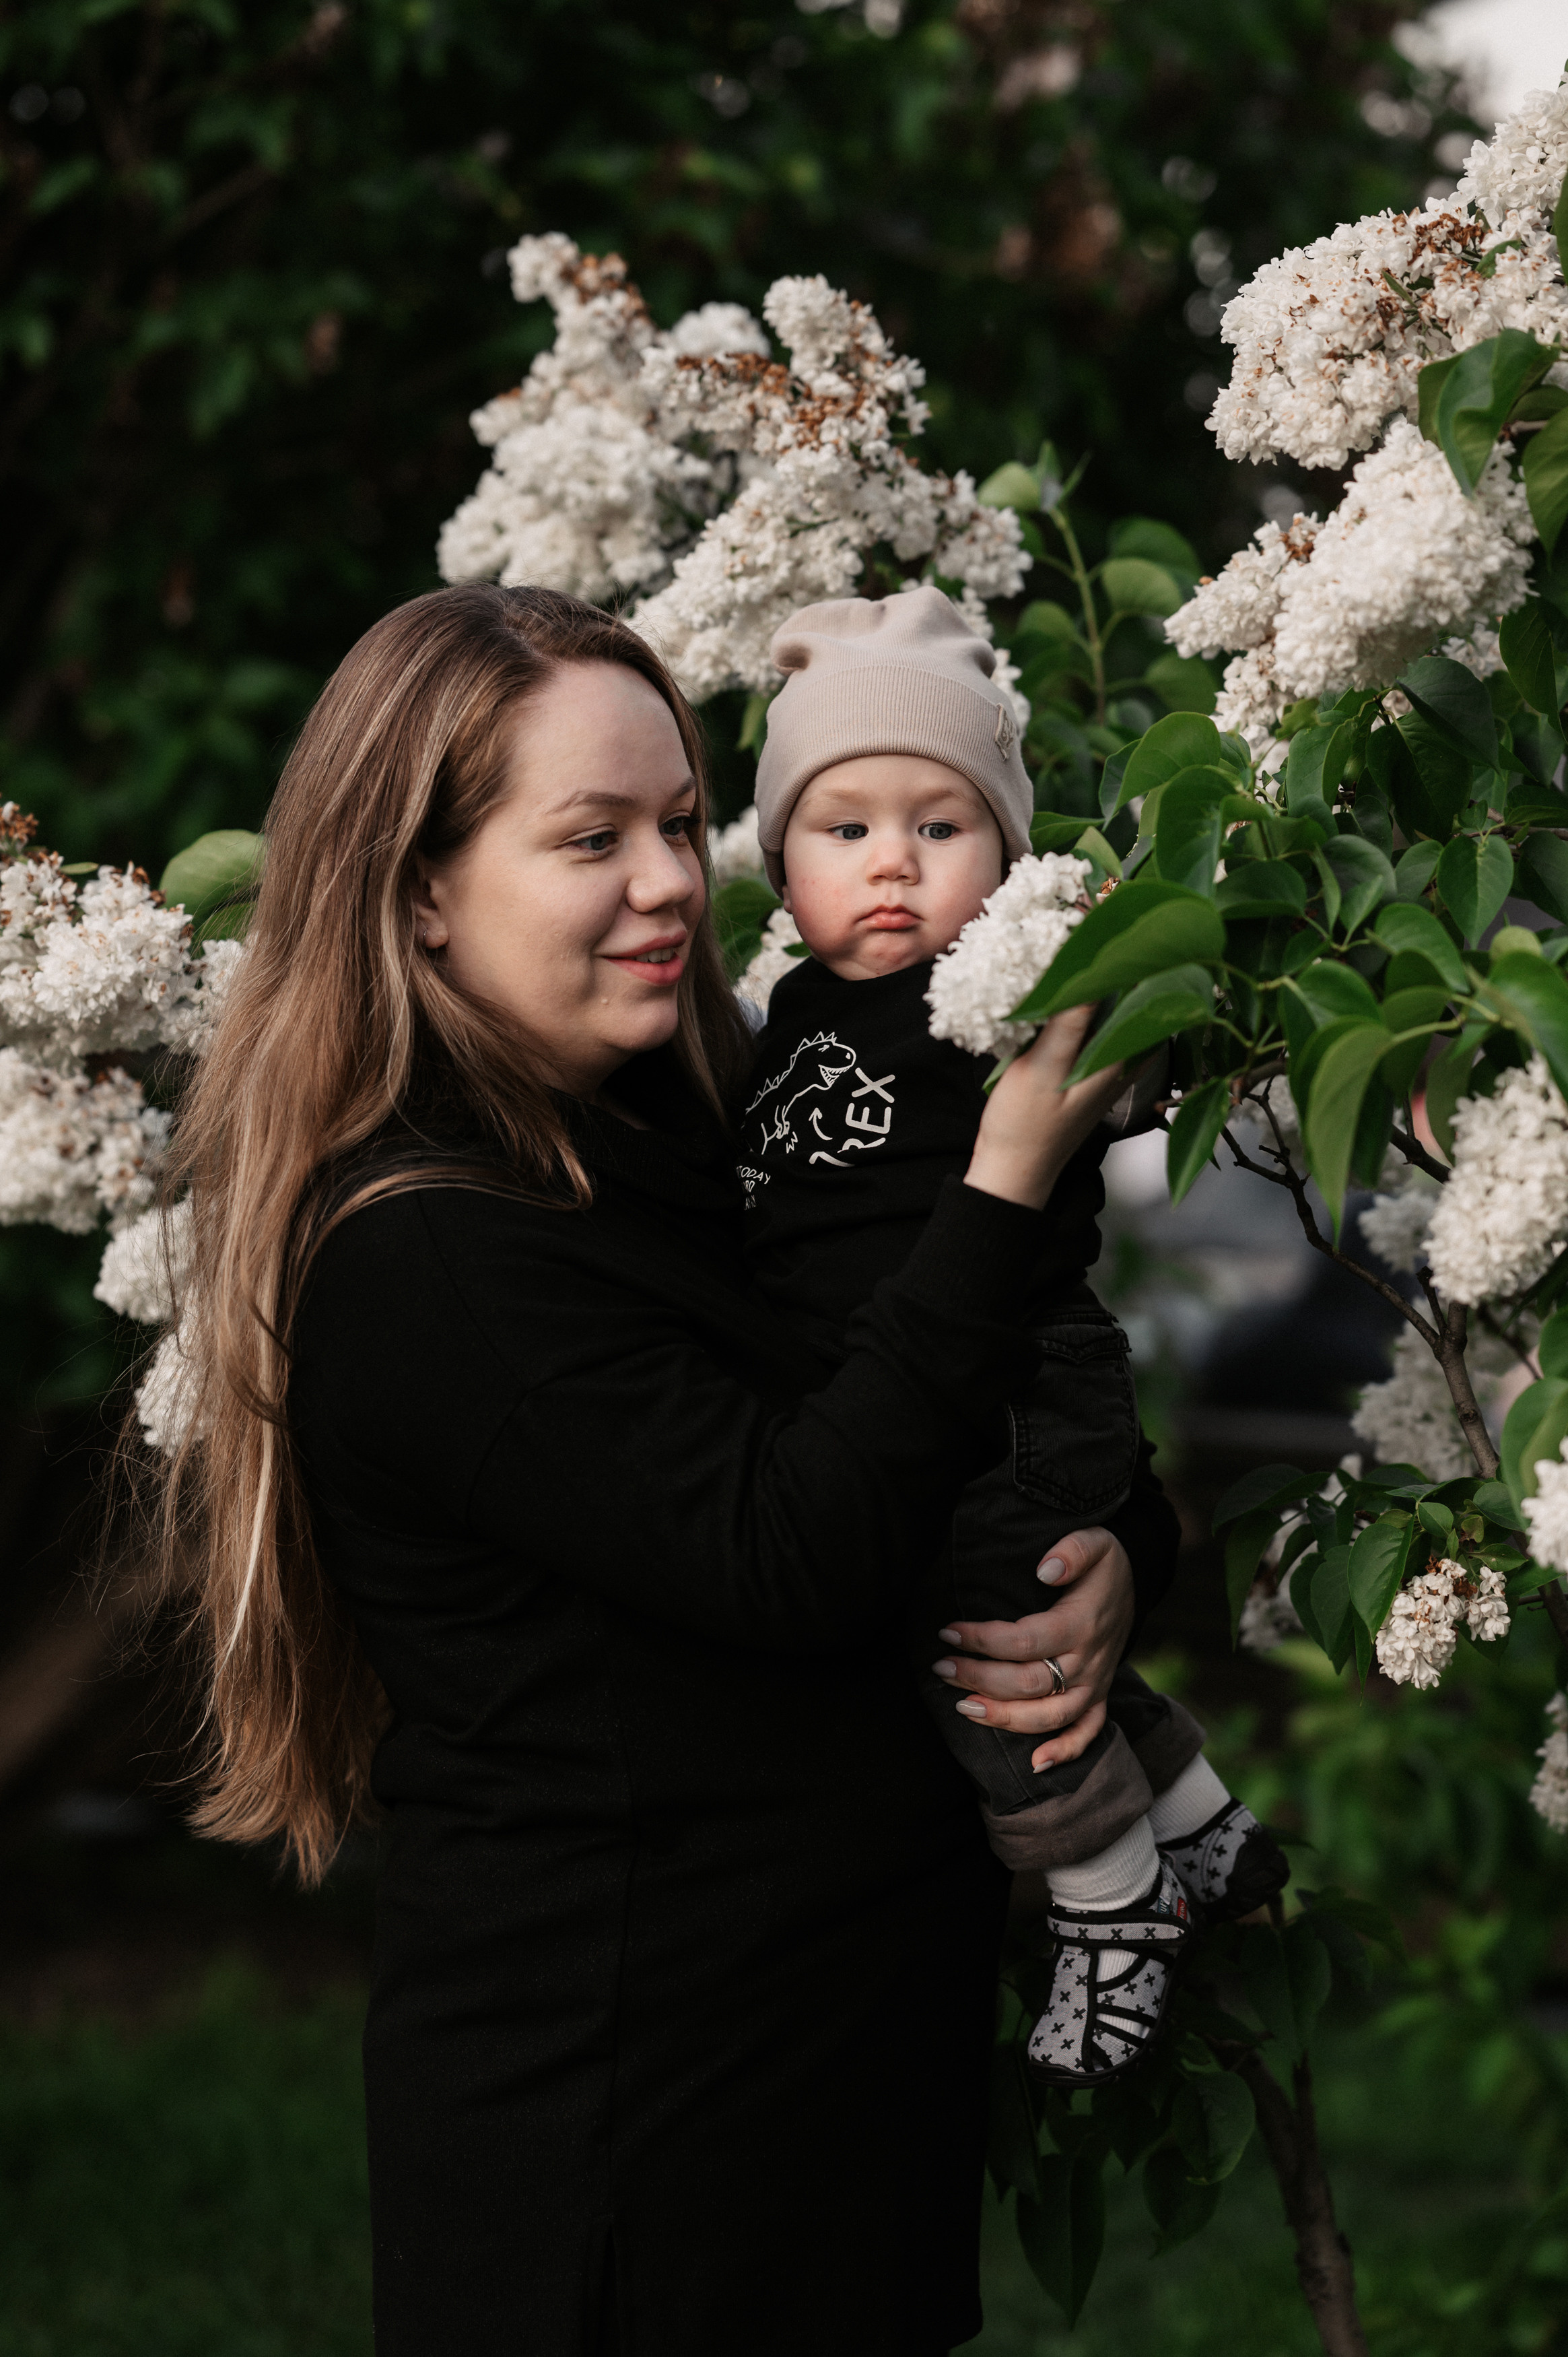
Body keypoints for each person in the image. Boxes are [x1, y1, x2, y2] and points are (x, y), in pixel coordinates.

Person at [141, 580, 1181, 2357]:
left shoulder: (687, 1137)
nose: (671, 882)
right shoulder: (430, 1253)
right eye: (591, 836)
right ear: (418, 891)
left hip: (820, 2114)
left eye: (686, 824)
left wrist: (1113, 1567)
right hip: (631, 2163)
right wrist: (1004, 1180)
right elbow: (788, 1544)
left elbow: (949, 1401)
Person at [739, 589, 1289, 2086]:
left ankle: (1112, 1907)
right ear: (779, 858)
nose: (892, 866)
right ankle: (1193, 1818)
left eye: (941, 826)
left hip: (1019, 1384)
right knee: (1003, 1623)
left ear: (1006, 855)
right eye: (842, 829)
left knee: (978, 1643)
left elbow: (1157, 1030)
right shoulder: (774, 1012)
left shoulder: (1007, 994)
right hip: (899, 1388)